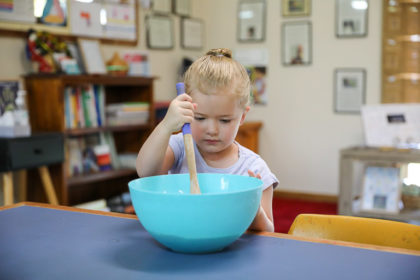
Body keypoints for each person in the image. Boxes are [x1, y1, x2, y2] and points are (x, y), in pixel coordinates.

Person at [136, 48, 278, 232]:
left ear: (242, 116)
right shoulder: (179, 146)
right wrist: (166, 125)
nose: (212, 130)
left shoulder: (254, 169)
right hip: (181, 244)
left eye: (225, 120)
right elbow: (145, 172)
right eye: (200, 118)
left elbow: (269, 232)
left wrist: (254, 211)